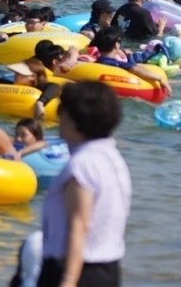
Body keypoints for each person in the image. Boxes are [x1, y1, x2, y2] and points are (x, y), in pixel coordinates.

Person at [39, 82, 131, 287]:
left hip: (77, 270)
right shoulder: (113, 157)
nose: (58, 116)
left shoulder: (83, 164)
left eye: (62, 111)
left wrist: (68, 281)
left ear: (74, 118)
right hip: (107, 269)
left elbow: (79, 224)